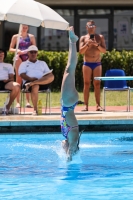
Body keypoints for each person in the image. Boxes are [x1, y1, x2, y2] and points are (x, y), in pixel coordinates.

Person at [61, 27, 82, 162]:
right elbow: (72, 147)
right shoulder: (74, 135)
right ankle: (72, 41)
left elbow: (64, 144)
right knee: (70, 69)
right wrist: (69, 160)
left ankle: (72, 41)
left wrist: (65, 147)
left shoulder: (67, 138)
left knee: (68, 70)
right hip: (68, 104)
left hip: (66, 104)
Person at [18, 45, 54, 115]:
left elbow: (48, 74)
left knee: (51, 76)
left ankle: (33, 83)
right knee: (35, 85)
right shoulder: (24, 63)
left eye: (35, 52)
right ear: (28, 53)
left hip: (42, 82)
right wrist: (30, 79)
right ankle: (35, 109)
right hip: (28, 83)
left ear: (37, 53)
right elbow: (22, 74)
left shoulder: (42, 63)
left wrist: (38, 80)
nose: (33, 54)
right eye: (31, 52)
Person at [79, 20, 106, 111]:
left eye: (93, 25)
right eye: (89, 26)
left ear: (95, 27)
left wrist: (96, 45)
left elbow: (104, 51)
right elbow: (81, 52)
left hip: (97, 63)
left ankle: (98, 105)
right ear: (86, 27)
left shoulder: (100, 37)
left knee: (97, 84)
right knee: (86, 84)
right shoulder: (83, 38)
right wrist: (87, 44)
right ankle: (85, 105)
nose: (91, 27)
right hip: (87, 63)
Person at [9, 24, 36, 108]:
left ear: (28, 28)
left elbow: (35, 48)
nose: (24, 29)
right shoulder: (15, 37)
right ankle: (18, 102)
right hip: (19, 58)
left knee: (28, 78)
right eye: (23, 27)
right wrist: (18, 51)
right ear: (20, 27)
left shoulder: (31, 37)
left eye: (26, 27)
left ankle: (27, 102)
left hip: (28, 58)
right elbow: (10, 49)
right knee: (19, 79)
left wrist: (29, 51)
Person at [0, 48, 20, 115]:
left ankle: (7, 106)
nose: (1, 55)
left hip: (5, 83)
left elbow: (12, 78)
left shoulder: (8, 65)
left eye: (2, 54)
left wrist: (7, 80)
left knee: (17, 86)